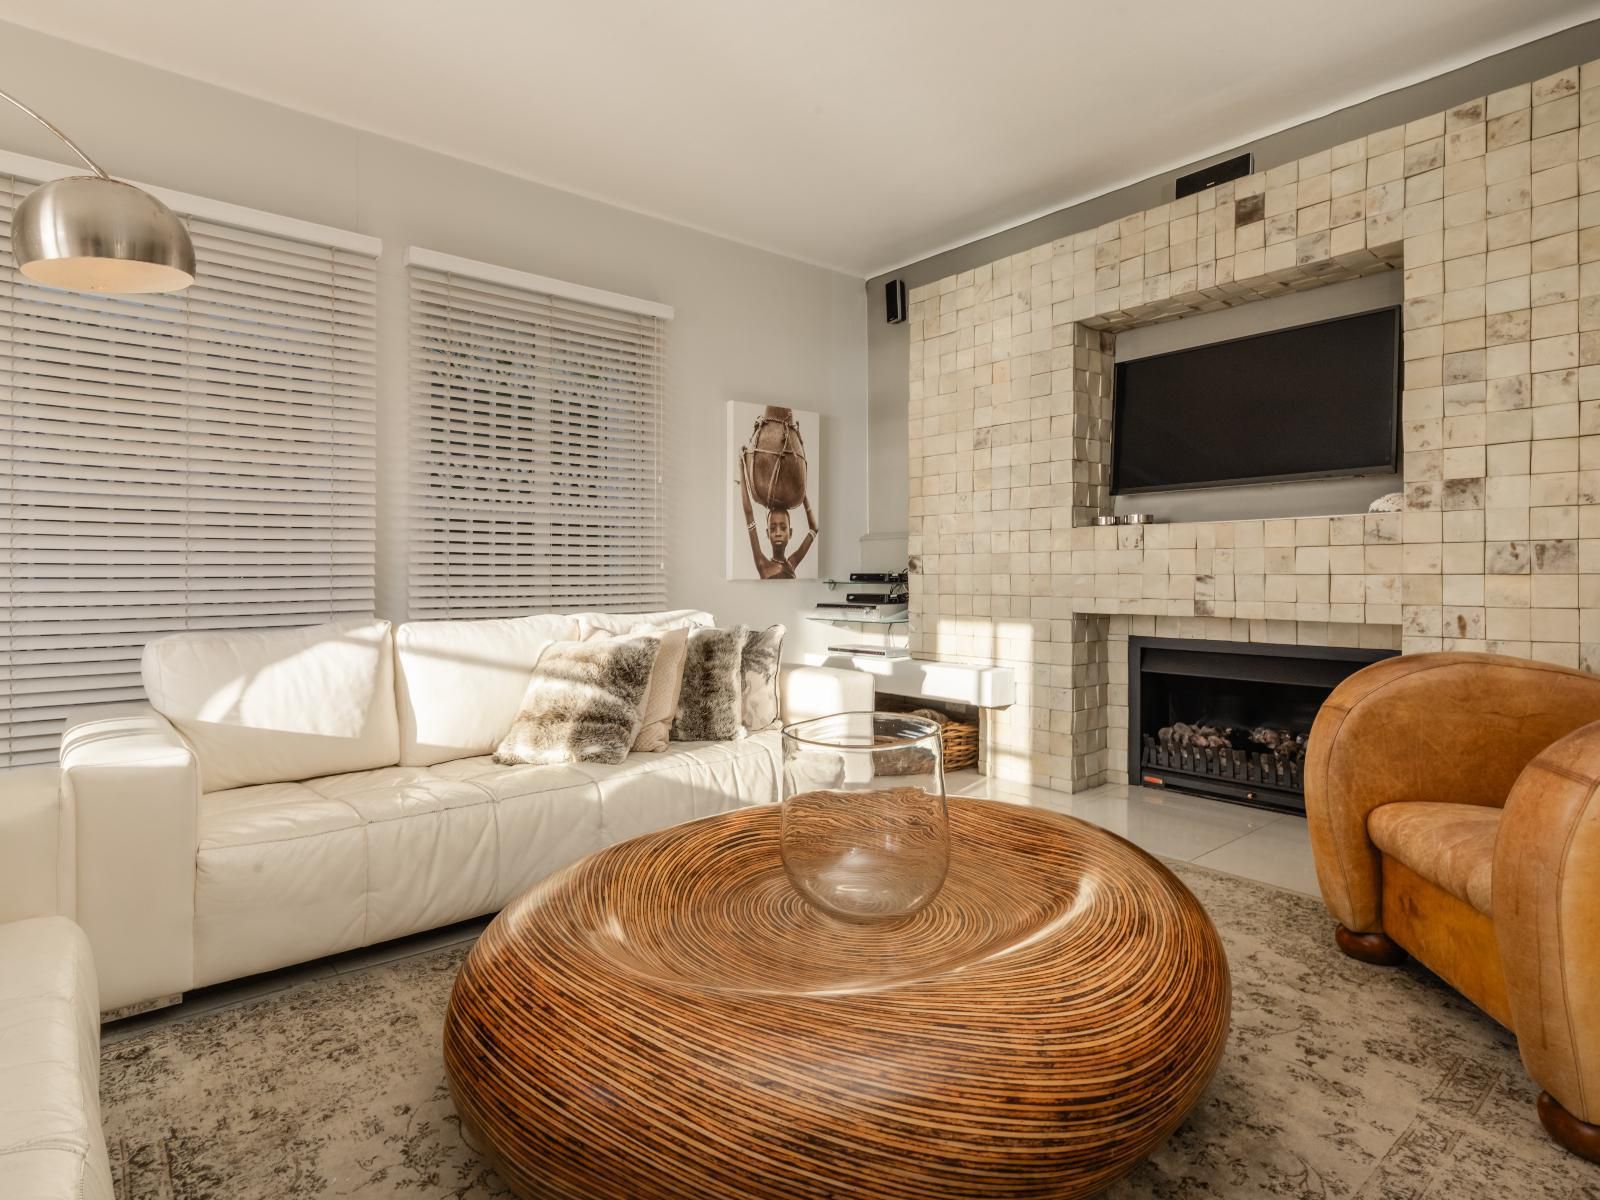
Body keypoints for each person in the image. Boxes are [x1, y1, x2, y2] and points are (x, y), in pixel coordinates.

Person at [740, 453, 817, 579]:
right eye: (773, 528)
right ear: (767, 533)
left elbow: (814, 528)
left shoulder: (792, 563)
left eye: (783, 527)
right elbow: (748, 513)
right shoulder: (762, 564)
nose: (778, 533)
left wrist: (801, 491)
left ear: (790, 532)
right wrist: (741, 466)